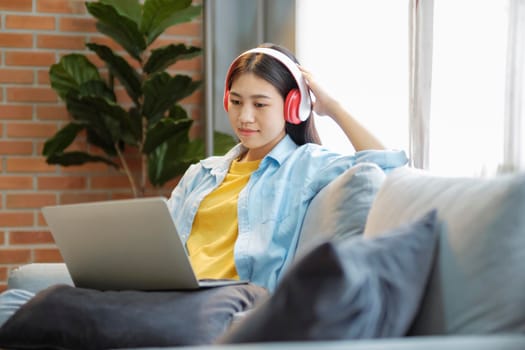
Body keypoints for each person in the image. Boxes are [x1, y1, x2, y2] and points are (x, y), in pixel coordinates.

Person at [0, 43, 407, 326]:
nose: (245, 116)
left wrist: (332, 107)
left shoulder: (307, 166)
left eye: (260, 104)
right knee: (17, 302)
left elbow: (388, 167)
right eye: (236, 100)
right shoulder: (203, 172)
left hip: (227, 305)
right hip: (168, 298)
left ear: (293, 107)